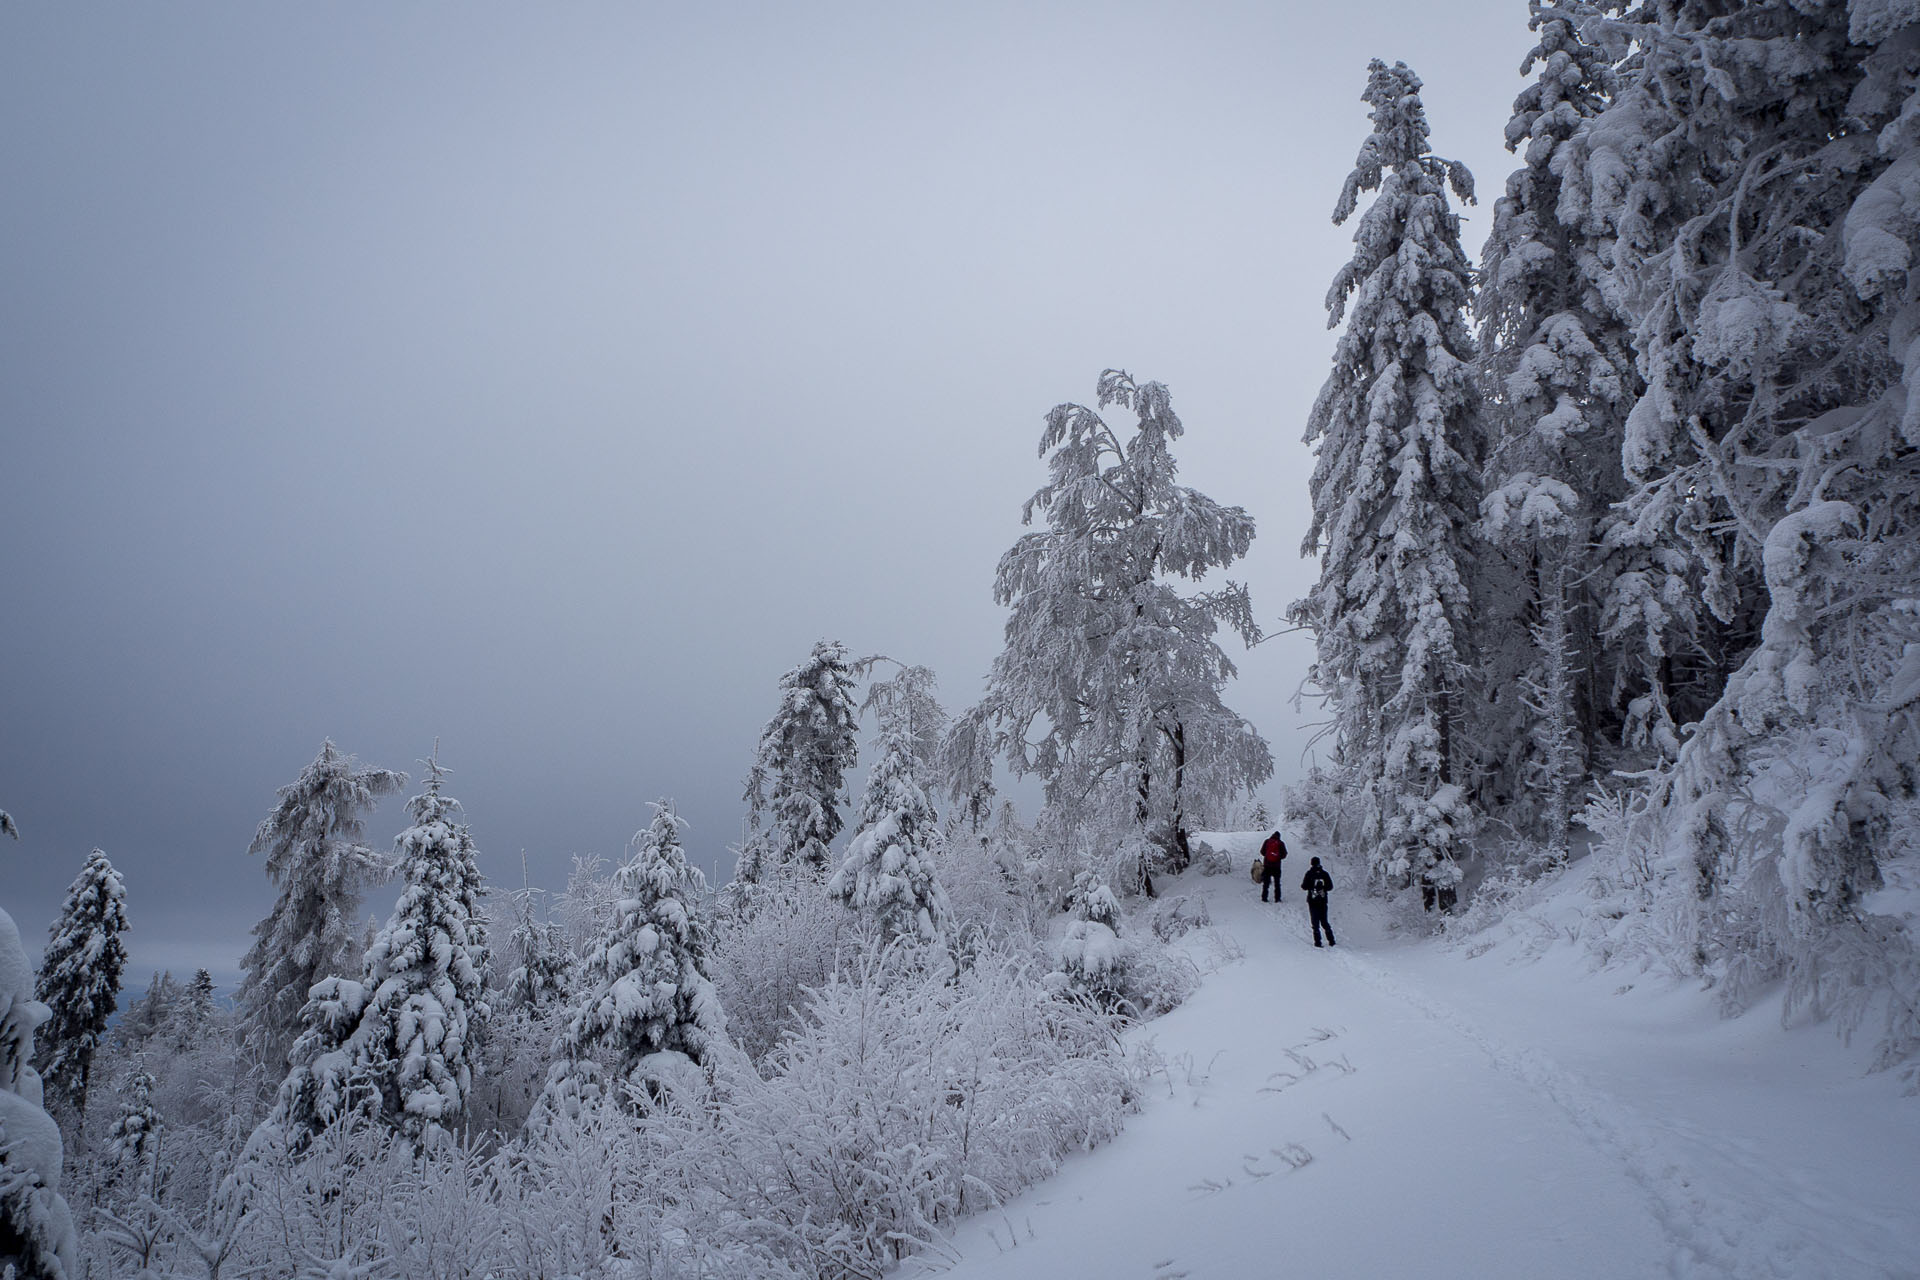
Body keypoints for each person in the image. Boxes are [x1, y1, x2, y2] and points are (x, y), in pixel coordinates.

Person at [1301, 857, 1336, 947]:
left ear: (1311, 864)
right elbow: (1330, 887)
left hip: (1312, 901)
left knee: (1315, 923)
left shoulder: (1309, 874)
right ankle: (1331, 941)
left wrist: (1311, 886)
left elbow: (1304, 886)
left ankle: (1318, 942)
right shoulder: (1325, 874)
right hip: (1323, 901)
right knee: (1324, 921)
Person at [1259, 831, 1287, 903]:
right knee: (1277, 883)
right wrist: (1278, 857)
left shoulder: (1267, 841)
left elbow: (1262, 852)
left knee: (1266, 883)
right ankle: (1277, 898)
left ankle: (1264, 898)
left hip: (1267, 865)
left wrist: (1267, 856)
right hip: (1276, 866)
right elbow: (1284, 855)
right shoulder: (1281, 843)